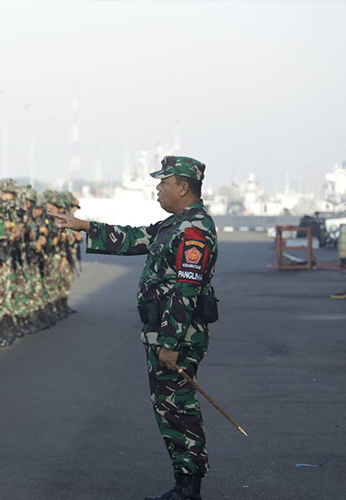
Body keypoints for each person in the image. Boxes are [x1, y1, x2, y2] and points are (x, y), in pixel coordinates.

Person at [50, 156, 218, 500]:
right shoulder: (176, 223)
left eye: (163, 183)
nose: (158, 188)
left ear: (183, 187)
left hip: (177, 336)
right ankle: (184, 485)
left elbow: (187, 289)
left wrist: (170, 342)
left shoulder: (194, 230)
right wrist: (83, 226)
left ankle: (189, 488)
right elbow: (135, 238)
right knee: (169, 408)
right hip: (165, 332)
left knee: (179, 409)